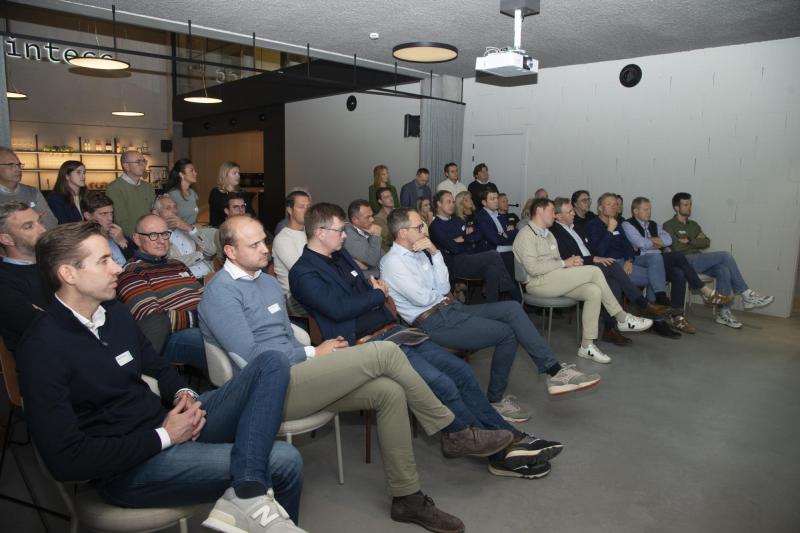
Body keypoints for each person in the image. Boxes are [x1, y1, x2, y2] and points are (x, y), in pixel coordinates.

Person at [17, 221, 308, 533]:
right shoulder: (41, 347)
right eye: (103, 261)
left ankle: (247, 492)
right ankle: (249, 492)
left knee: (272, 362)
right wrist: (165, 436)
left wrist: (185, 394)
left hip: (166, 423)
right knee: (285, 460)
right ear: (68, 274)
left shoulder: (114, 313)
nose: (117, 268)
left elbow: (159, 367)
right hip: (127, 468)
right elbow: (66, 460)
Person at [200, 215, 481, 533]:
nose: (265, 249)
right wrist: (311, 353)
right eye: (254, 245)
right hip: (264, 392)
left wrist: (311, 355)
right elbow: (252, 360)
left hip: (300, 374)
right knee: (386, 352)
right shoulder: (220, 293)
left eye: (264, 240)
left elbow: (286, 337)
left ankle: (407, 498)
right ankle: (453, 430)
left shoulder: (266, 282)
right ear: (230, 251)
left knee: (389, 392)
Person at [290, 203, 564, 480]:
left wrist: (372, 294)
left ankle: (509, 437)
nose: (345, 236)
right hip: (367, 345)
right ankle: (501, 451)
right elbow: (340, 309)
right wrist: (376, 295)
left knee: (461, 371)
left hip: (394, 330)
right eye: (340, 231)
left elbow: (363, 292)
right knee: (442, 383)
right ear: (320, 232)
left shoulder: (339, 256)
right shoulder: (303, 272)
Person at [382, 208, 601, 422]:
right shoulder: (393, 262)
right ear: (403, 233)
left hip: (449, 309)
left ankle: (555, 371)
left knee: (512, 307)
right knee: (507, 334)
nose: (424, 231)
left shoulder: (420, 254)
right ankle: (496, 400)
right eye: (419, 227)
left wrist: (435, 253)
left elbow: (443, 287)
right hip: (433, 321)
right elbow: (422, 299)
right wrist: (437, 291)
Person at [514, 198, 653, 364]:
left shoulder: (548, 234)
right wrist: (564, 263)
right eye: (551, 211)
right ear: (539, 212)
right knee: (594, 270)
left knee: (593, 291)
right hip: (537, 283)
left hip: (554, 278)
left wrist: (568, 263)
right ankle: (621, 317)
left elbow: (556, 261)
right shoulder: (526, 235)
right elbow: (533, 269)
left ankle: (587, 345)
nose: (554, 215)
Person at [549, 197, 671, 346]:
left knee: (624, 276)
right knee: (614, 268)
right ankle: (643, 305)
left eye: (615, 204)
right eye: (569, 212)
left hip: (604, 263)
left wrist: (629, 260)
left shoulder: (577, 228)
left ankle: (610, 329)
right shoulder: (559, 231)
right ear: (558, 216)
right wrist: (608, 233)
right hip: (582, 267)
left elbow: (624, 246)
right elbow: (573, 257)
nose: (574, 213)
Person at [622, 196, 733, 334]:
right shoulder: (627, 225)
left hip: (659, 261)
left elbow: (668, 240)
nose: (649, 212)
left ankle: (677, 317)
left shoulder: (653, 224)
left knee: (678, 273)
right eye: (645, 209)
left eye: (650, 209)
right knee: (678, 256)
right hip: (642, 261)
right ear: (635, 211)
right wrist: (655, 243)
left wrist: (648, 242)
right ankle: (705, 291)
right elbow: (641, 243)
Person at [663, 192, 773, 328]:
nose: (689, 207)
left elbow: (706, 242)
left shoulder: (694, 225)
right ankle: (746, 293)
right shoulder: (669, 225)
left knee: (723, 269)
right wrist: (696, 240)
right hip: (685, 261)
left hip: (699, 260)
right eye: (685, 205)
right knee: (725, 256)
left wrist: (689, 240)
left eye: (690, 204)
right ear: (676, 207)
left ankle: (723, 312)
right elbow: (676, 247)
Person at [583, 193, 681, 339]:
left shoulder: (617, 224)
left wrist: (629, 260)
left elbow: (628, 247)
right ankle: (655, 318)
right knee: (652, 277)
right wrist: (609, 230)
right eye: (609, 204)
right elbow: (598, 253)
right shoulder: (593, 225)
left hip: (625, 262)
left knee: (655, 258)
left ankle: (659, 301)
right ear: (600, 208)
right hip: (607, 265)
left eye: (616, 204)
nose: (614, 207)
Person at [116, 214, 207, 370]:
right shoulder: (131, 272)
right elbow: (153, 319)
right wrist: (204, 318)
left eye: (165, 234)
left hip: (202, 323)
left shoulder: (177, 264)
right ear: (137, 239)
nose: (161, 240)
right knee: (218, 344)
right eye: (153, 235)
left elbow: (205, 297)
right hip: (170, 336)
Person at [429, 190, 519, 303]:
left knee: (493, 270)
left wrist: (462, 239)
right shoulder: (435, 226)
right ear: (438, 204)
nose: (452, 204)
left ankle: (492, 306)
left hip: (469, 257)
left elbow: (478, 235)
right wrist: (466, 239)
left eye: (453, 202)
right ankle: (514, 294)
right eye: (449, 202)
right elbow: (454, 248)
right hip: (453, 263)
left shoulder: (457, 220)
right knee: (493, 254)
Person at [0, 201, 50, 351]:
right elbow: (43, 327)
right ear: (6, 239)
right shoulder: (4, 280)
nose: (43, 230)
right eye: (29, 226)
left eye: (40, 222)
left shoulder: (55, 262)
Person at [152, 194, 216, 281]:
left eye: (175, 207)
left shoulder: (186, 229)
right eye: (168, 208)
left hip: (210, 275)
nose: (174, 211)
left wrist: (190, 229)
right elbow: (170, 264)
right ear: (156, 213)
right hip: (188, 281)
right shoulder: (155, 237)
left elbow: (212, 250)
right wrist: (198, 254)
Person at [272, 191, 312, 316]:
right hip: (295, 297)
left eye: (309, 207)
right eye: (301, 207)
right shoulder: (283, 239)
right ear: (289, 210)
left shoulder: (311, 233)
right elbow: (302, 271)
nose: (307, 211)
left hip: (312, 290)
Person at [0, 147, 57, 229]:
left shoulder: (33, 192)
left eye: (19, 165)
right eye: (10, 165)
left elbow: (51, 222)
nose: (17, 169)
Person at [105, 150, 155, 237]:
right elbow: (121, 221)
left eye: (144, 161)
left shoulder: (148, 187)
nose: (143, 164)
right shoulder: (114, 188)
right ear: (126, 166)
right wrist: (139, 239)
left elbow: (153, 213)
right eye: (138, 162)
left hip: (150, 235)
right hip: (129, 238)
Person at [81, 191, 135, 267]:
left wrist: (122, 242)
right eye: (104, 214)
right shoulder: (83, 243)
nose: (110, 218)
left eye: (111, 213)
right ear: (88, 216)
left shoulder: (117, 234)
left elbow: (135, 263)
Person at [475, 189, 518, 283]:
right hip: (492, 251)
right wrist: (506, 234)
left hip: (506, 247)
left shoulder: (500, 215)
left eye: (496, 198)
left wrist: (505, 234)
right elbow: (495, 239)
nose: (496, 201)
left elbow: (515, 232)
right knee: (513, 258)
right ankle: (512, 288)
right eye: (492, 199)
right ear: (484, 202)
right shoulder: (481, 217)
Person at [344, 199, 385, 279]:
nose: (372, 219)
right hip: (373, 279)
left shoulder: (362, 228)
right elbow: (371, 260)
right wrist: (376, 235)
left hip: (382, 271)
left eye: (372, 215)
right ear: (355, 220)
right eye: (367, 217)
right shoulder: (349, 236)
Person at [208, 161, 255, 227]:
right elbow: (219, 216)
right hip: (220, 228)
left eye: (238, 173)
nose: (238, 176)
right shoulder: (216, 193)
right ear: (225, 175)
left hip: (240, 227)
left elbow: (251, 213)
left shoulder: (243, 193)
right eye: (234, 173)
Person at [165, 158, 200, 225]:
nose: (195, 173)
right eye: (191, 171)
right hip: (178, 230)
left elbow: (194, 216)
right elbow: (169, 222)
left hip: (192, 229)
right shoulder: (172, 195)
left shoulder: (193, 193)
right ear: (181, 174)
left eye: (195, 171)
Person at [373, 186, 395, 251]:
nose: (391, 198)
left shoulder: (398, 212)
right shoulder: (378, 219)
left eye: (391, 196)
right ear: (380, 201)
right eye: (386, 197)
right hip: (389, 251)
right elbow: (388, 240)